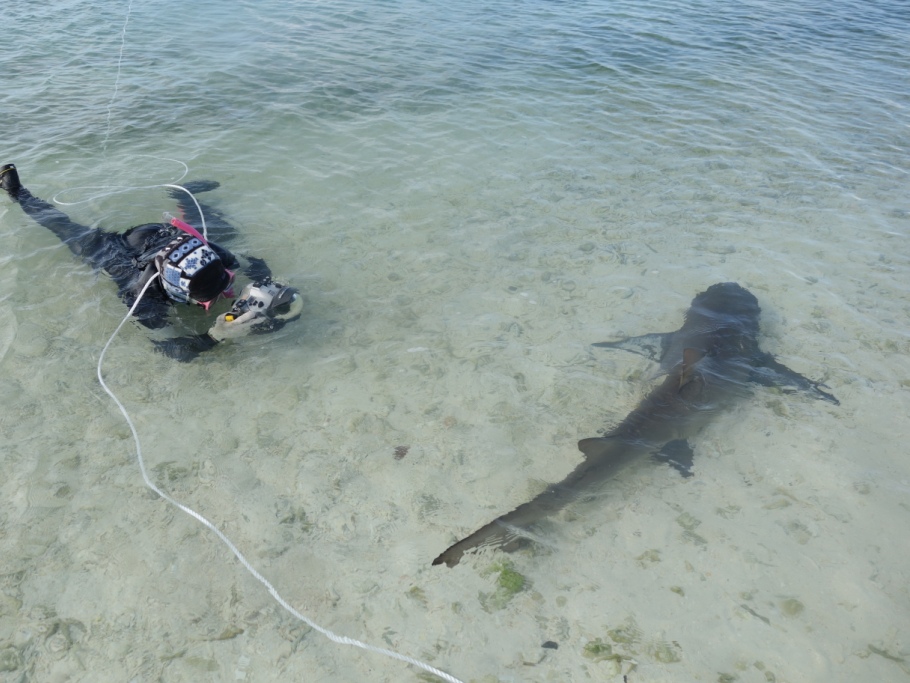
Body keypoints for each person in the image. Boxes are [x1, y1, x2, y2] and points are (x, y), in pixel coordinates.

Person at [1, 163, 301, 361]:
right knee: (63, 228)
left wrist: (263, 279)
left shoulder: (216, 257)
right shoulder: (142, 298)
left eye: (226, 283)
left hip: (157, 235)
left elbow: (251, 262)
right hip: (120, 255)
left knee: (225, 232)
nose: (229, 294)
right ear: (180, 293)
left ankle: (182, 195)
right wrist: (213, 337)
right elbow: (168, 348)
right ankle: (16, 191)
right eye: (212, 299)